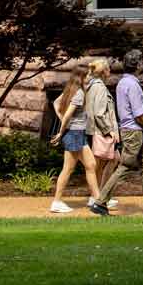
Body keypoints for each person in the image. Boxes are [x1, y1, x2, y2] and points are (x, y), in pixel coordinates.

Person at [90, 49, 143, 217]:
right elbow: (139, 114)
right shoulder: (133, 84)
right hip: (134, 131)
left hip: (130, 130)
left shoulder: (122, 83)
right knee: (125, 166)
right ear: (138, 65)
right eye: (142, 62)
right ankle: (100, 202)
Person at [49, 70, 101, 214]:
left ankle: (97, 200)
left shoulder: (71, 90)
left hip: (78, 133)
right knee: (68, 170)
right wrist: (61, 131)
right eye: (88, 75)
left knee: (91, 165)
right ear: (81, 78)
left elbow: (56, 103)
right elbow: (67, 115)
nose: (90, 77)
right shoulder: (79, 93)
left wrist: (64, 124)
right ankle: (57, 202)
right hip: (74, 134)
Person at [84, 57, 119, 211]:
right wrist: (109, 130)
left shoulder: (93, 86)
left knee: (98, 165)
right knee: (108, 161)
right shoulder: (99, 87)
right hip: (101, 130)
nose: (110, 71)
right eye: (109, 68)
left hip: (96, 130)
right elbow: (99, 113)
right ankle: (99, 197)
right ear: (104, 71)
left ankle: (98, 196)